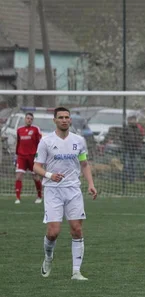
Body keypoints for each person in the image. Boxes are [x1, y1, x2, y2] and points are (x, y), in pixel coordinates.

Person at [32, 107, 98, 281]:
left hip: (73, 190)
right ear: (54, 120)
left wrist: (91, 184)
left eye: (66, 117)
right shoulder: (46, 141)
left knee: (77, 229)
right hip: (53, 190)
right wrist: (49, 175)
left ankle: (76, 271)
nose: (64, 120)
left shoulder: (79, 140)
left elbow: (84, 164)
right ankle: (48, 257)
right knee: (53, 232)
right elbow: (36, 166)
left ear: (70, 120)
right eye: (60, 117)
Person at [14, 112, 43, 204]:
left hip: (33, 157)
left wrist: (39, 156)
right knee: (18, 176)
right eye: (28, 118)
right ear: (25, 119)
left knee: (35, 176)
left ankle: (39, 196)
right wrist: (16, 155)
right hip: (21, 156)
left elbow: (39, 143)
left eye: (31, 119)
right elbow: (18, 143)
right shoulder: (19, 130)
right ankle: (18, 198)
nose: (29, 120)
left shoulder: (35, 129)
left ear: (32, 120)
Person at [121, 115, 142, 183]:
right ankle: (125, 178)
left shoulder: (137, 129)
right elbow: (121, 137)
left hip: (134, 149)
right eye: (132, 120)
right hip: (127, 148)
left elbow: (140, 137)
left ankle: (132, 179)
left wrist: (138, 143)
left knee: (133, 164)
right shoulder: (126, 128)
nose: (134, 121)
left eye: (134, 120)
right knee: (126, 164)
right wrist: (127, 142)